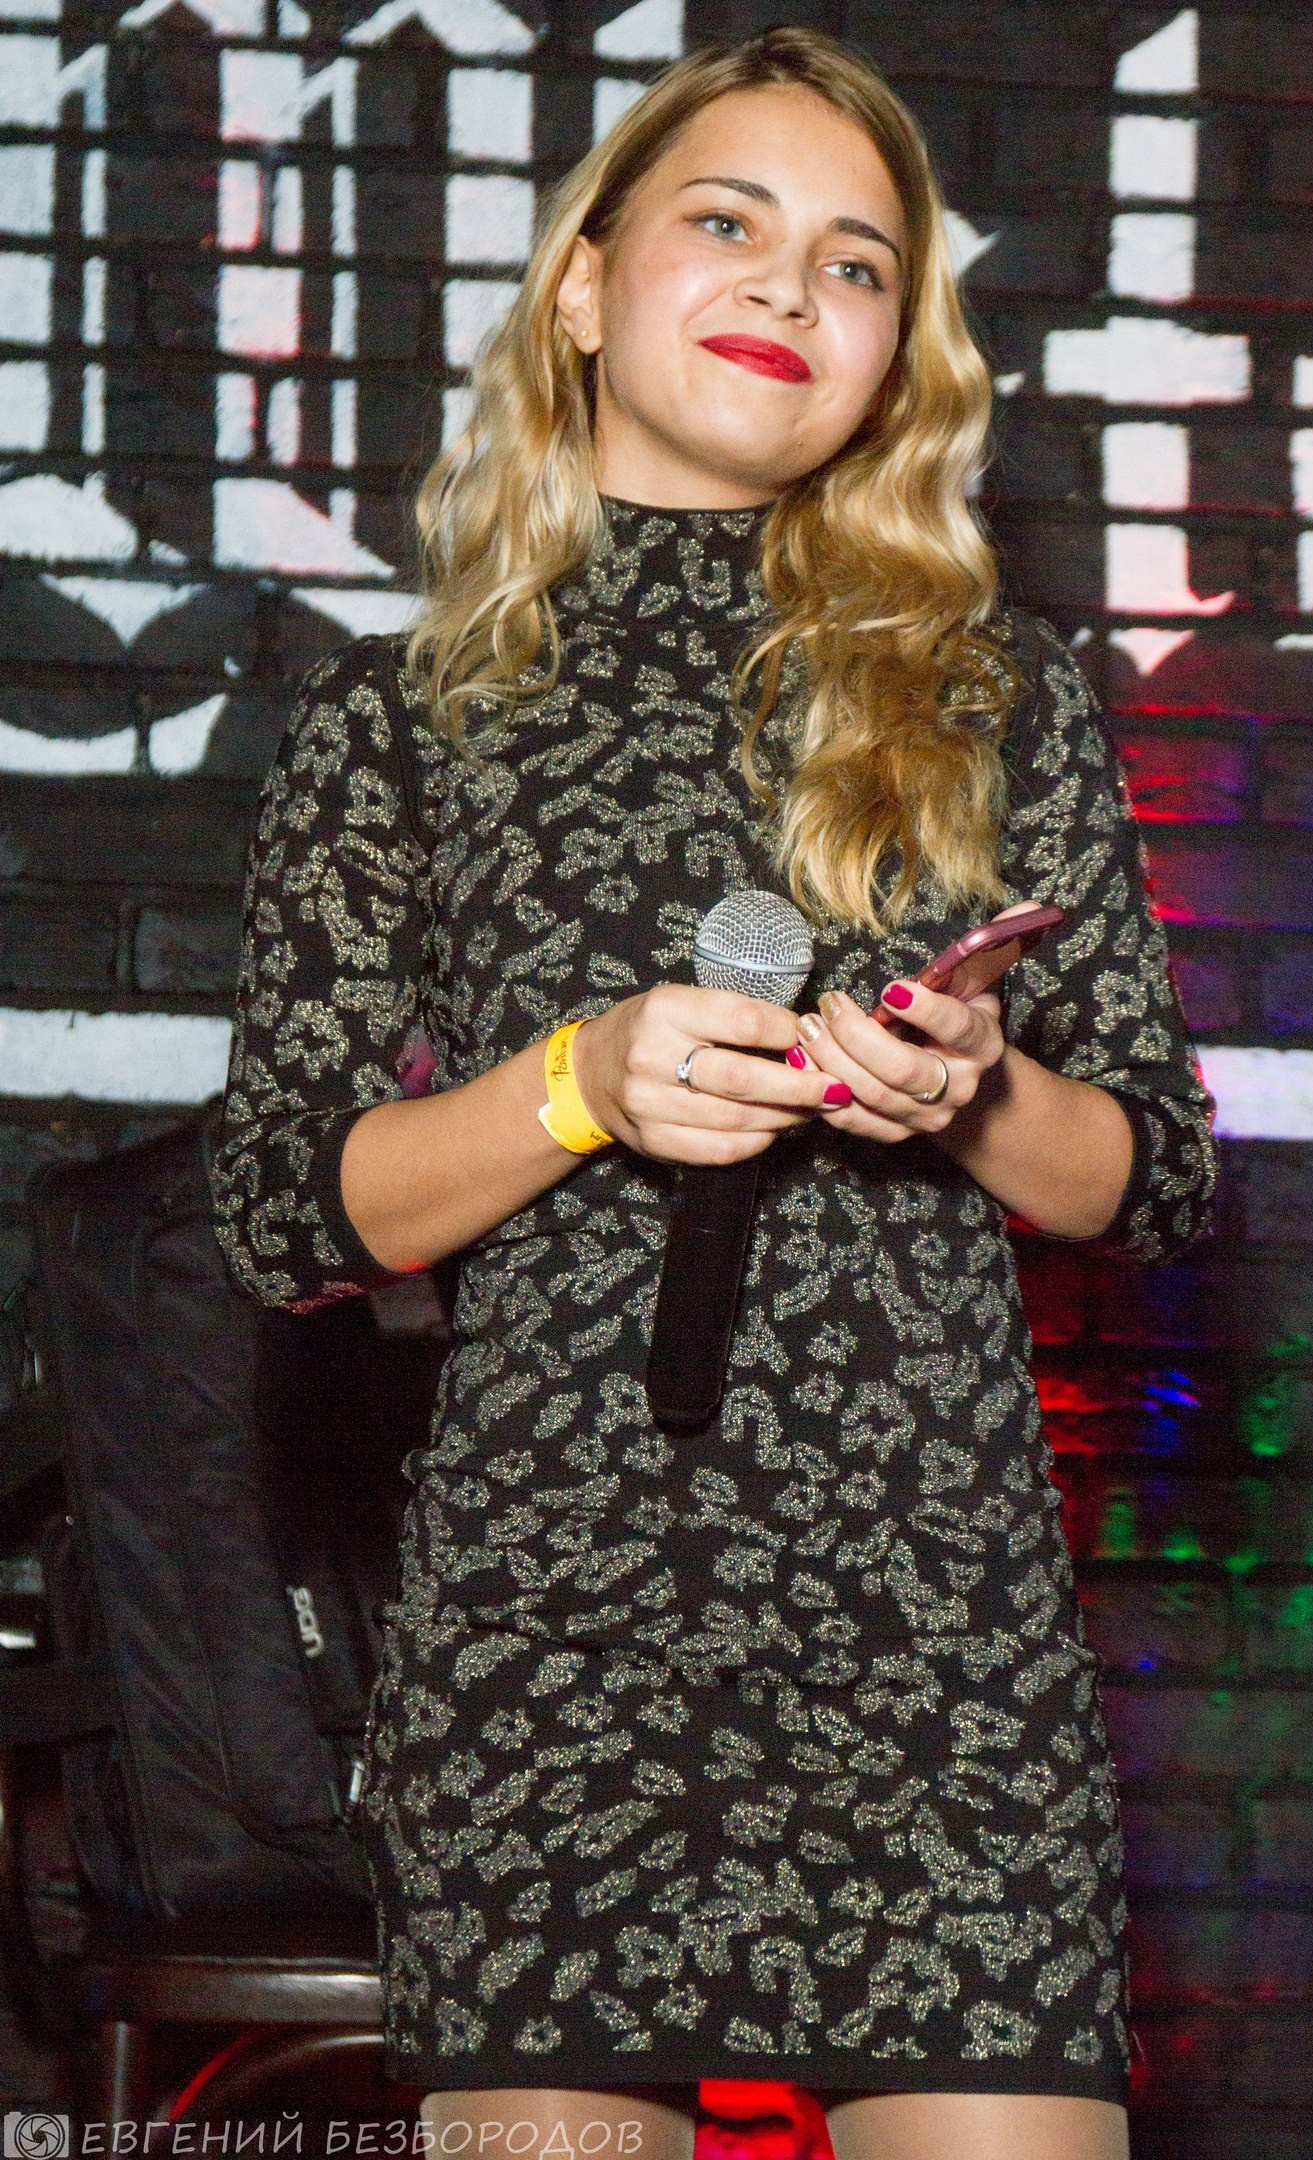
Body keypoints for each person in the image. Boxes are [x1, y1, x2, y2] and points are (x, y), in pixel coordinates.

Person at [213, 26, 1215, 2160]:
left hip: (934, 1639)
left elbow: (1152, 1181)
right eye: (729, 223)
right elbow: (291, 1215)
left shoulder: (996, 694)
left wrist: (975, 1089)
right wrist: (577, 1084)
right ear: (584, 283)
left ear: (895, 358)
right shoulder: (403, 718)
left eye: (857, 264)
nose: (791, 286)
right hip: (551, 1631)